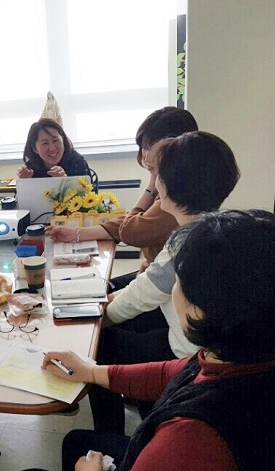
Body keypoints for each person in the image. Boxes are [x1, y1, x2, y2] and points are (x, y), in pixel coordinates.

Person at [9, 209, 275, 471]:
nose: (173, 290)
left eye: (178, 282)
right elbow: (172, 372)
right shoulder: (266, 357)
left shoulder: (193, 435)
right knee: (77, 442)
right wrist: (91, 371)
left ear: (204, 309)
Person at [89, 131, 240, 433]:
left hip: (189, 355)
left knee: (100, 345)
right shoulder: (218, 226)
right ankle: (146, 404)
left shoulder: (186, 242)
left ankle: (108, 437)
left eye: (158, 174)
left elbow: (144, 293)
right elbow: (147, 285)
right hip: (209, 344)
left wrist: (95, 320)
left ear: (169, 186)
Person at [47, 107, 198, 285]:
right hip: (151, 273)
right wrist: (77, 234)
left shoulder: (175, 199)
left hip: (162, 285)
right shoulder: (179, 186)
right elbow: (133, 222)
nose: (146, 157)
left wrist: (150, 188)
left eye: (151, 148)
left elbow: (129, 230)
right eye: (144, 148)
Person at [17, 118, 91, 179]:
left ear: (63, 139)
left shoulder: (77, 162)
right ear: (34, 149)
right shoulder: (30, 168)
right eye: (45, 143)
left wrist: (64, 181)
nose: (52, 148)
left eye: (56, 140)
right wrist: (25, 182)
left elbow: (89, 191)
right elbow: (22, 193)